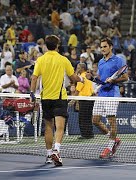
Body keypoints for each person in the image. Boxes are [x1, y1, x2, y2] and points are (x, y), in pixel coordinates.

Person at [30, 35, 84, 166]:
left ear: (46, 46)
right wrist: (82, 79)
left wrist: (32, 93)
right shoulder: (63, 60)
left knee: (48, 127)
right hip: (59, 98)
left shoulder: (41, 60)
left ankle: (49, 155)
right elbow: (73, 77)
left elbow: (34, 78)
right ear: (57, 46)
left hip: (45, 98)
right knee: (60, 127)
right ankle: (56, 149)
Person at [89, 37, 128, 159]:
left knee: (111, 121)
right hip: (101, 93)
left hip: (112, 94)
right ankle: (114, 139)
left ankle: (109, 146)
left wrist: (114, 79)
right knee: (95, 120)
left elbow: (125, 77)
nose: (103, 49)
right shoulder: (100, 62)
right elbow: (101, 77)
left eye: (105, 46)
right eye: (101, 47)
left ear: (110, 47)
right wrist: (94, 81)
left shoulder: (118, 60)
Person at [74, 63, 95, 139]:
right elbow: (92, 90)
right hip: (90, 99)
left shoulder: (81, 77)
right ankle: (90, 134)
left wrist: (73, 100)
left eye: (78, 68)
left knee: (82, 118)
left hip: (83, 100)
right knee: (88, 117)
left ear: (82, 69)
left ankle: (84, 135)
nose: (77, 69)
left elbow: (77, 90)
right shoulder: (88, 77)